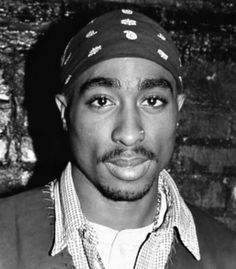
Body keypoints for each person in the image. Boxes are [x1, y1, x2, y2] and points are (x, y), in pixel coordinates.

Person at [0, 9, 235, 269]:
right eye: (102, 101)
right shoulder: (5, 236)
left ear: (177, 111)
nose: (129, 133)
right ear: (65, 113)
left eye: (152, 101)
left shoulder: (227, 254)